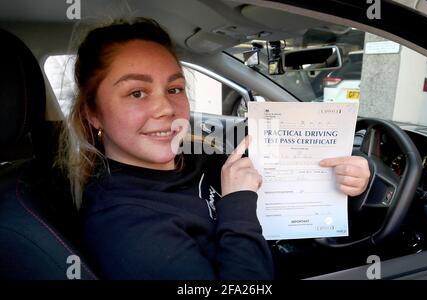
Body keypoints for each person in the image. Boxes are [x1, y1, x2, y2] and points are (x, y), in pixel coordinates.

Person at [60, 18, 370, 280]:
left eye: (174, 89)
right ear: (93, 112)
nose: (165, 108)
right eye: (137, 93)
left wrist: (344, 177)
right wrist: (237, 203)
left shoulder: (197, 157)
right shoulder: (125, 225)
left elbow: (276, 186)